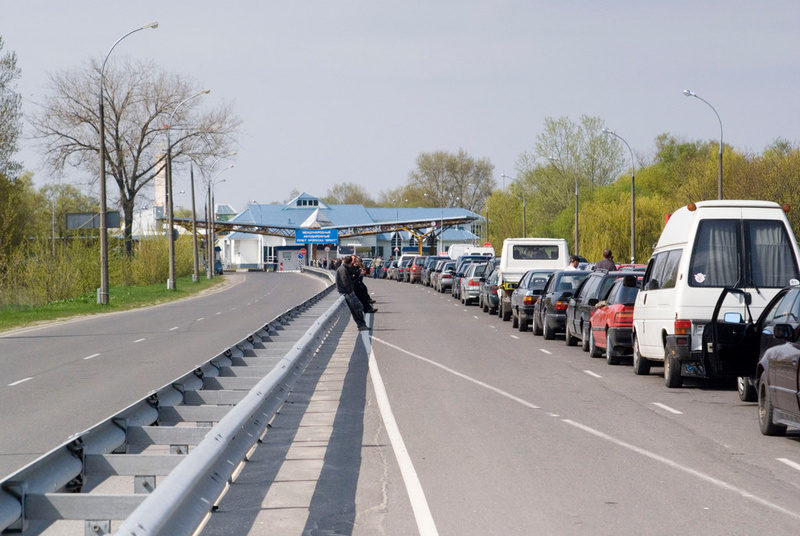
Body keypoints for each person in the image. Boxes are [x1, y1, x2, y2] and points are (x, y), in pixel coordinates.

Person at [336, 256, 369, 331]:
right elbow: (345, 281)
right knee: (358, 307)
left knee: (357, 308)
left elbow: (355, 273)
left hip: (347, 291)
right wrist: (349, 292)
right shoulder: (343, 270)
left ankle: (361, 324)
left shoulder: (346, 268)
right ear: (350, 262)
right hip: (347, 292)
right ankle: (361, 325)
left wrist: (354, 267)